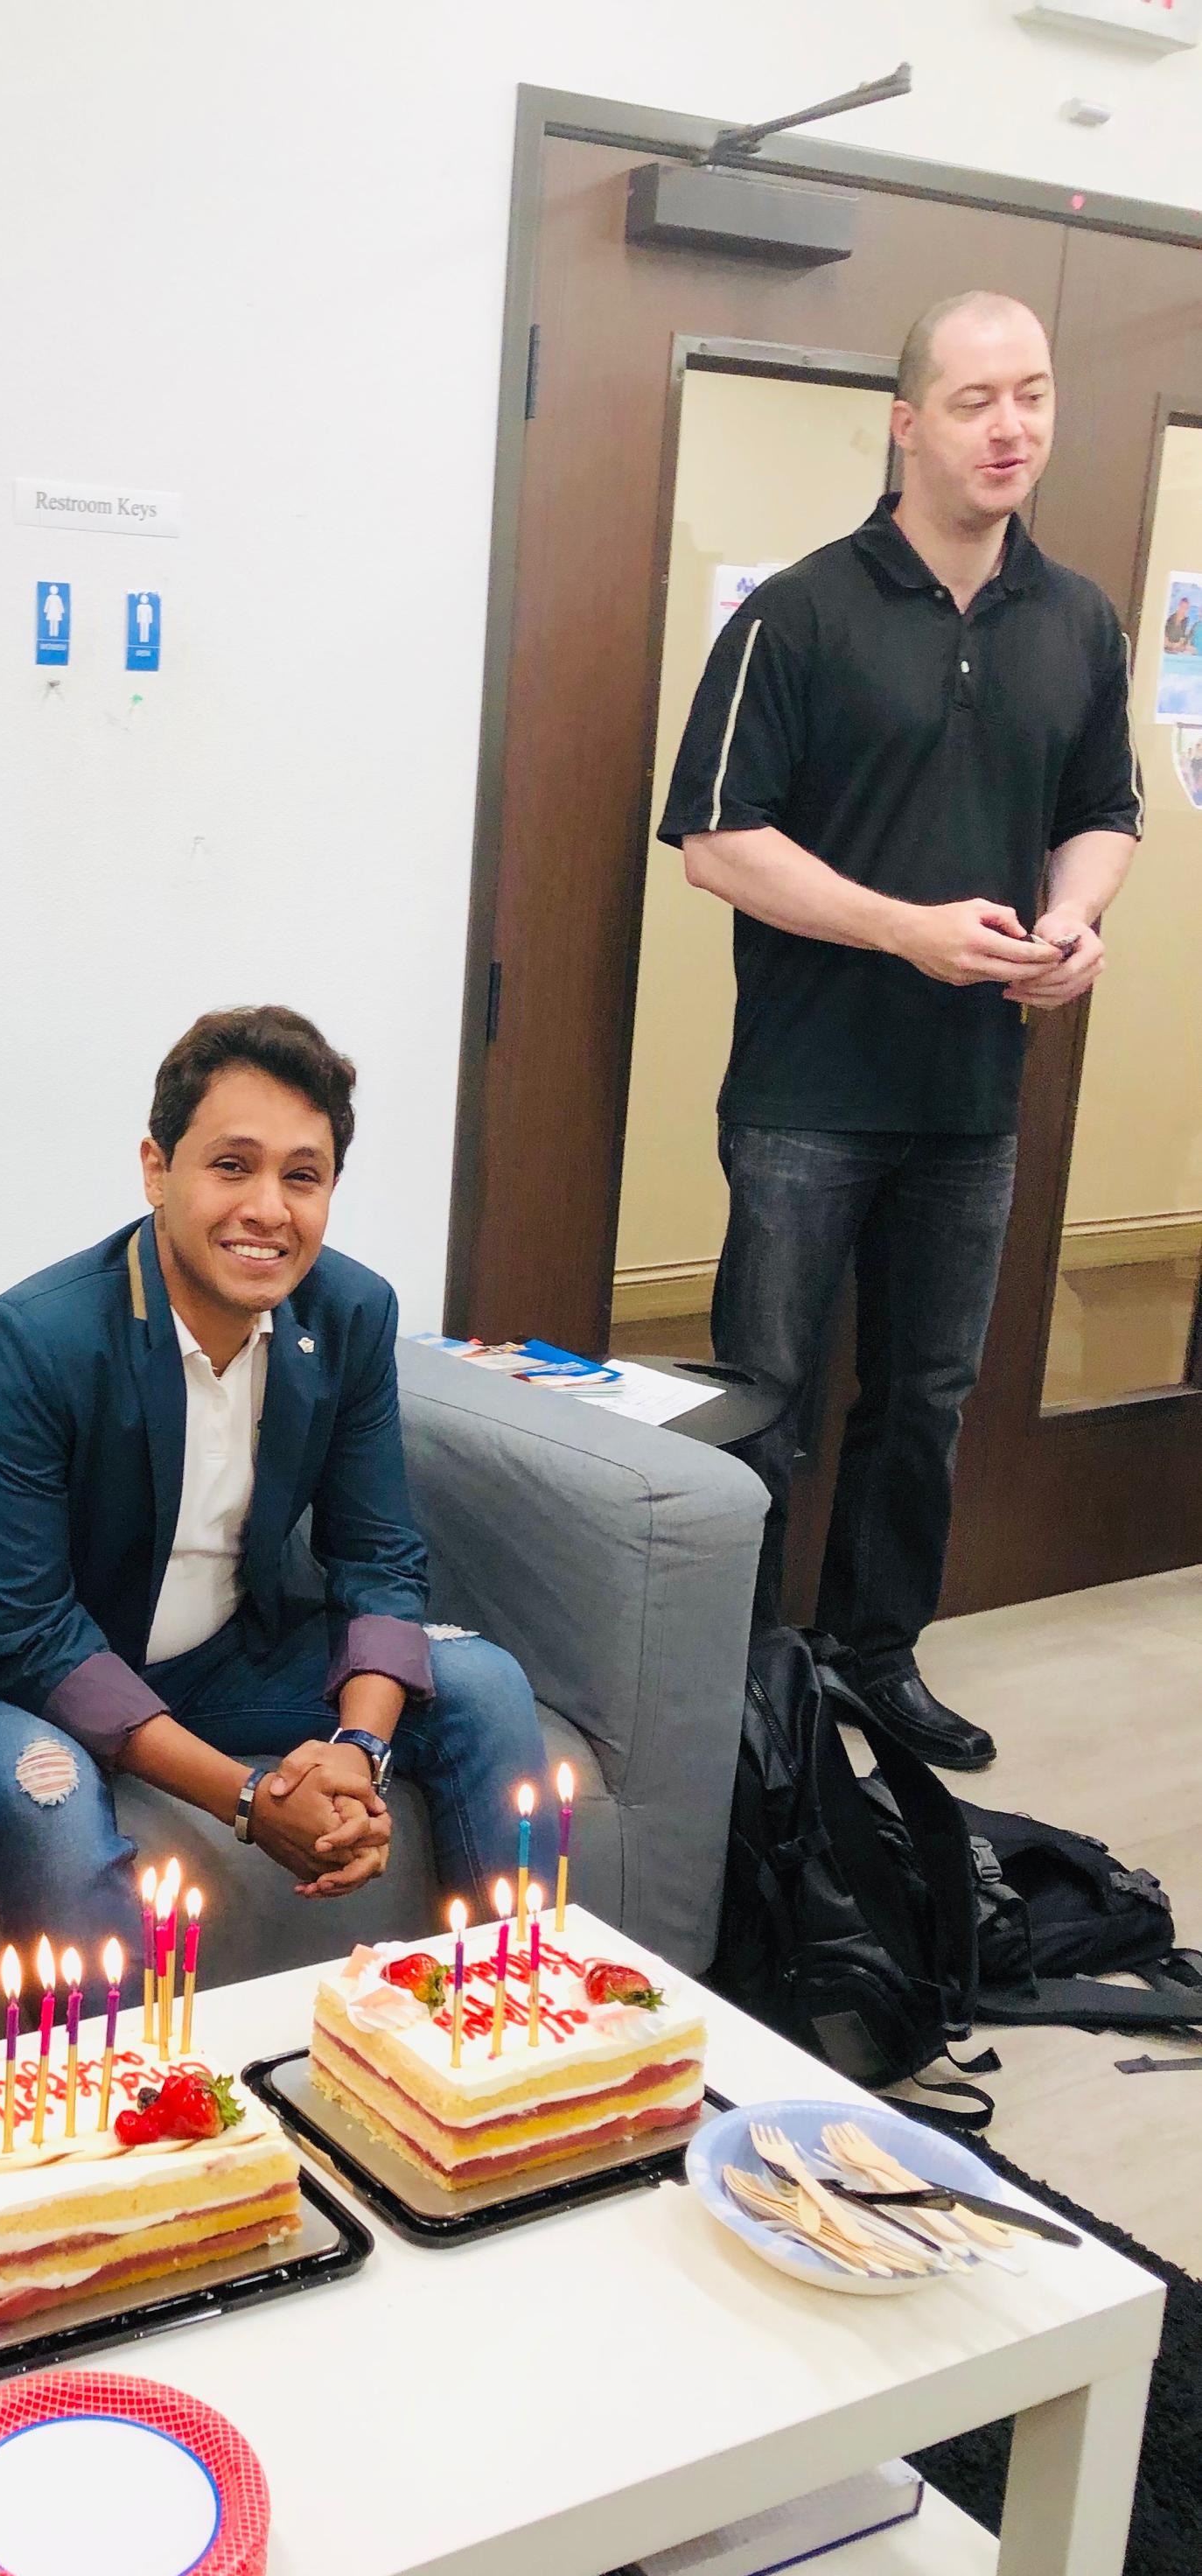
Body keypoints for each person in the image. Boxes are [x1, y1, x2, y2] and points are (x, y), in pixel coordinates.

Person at [660, 290, 1140, 1769]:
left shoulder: (1076, 618)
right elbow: (715, 842)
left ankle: (874, 1659)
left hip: (971, 1100)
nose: (1012, 427)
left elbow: (1103, 814)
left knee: (923, 1399)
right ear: (907, 421)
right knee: (767, 1396)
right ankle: (741, 1688)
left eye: (1035, 396)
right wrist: (905, 927)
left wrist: (1076, 924)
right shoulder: (795, 614)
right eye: (979, 398)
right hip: (807, 1092)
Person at [0, 1004, 549, 1949]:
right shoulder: (37, 1338)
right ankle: (120, 2097)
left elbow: (377, 1558)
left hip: (216, 1660)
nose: (267, 1208)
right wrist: (249, 1801)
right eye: (231, 1165)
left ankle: (511, 2035)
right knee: (52, 1802)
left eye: (301, 1176)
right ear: (157, 1169)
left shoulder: (348, 1312)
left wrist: (356, 1752)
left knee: (482, 1680)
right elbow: (27, 1633)